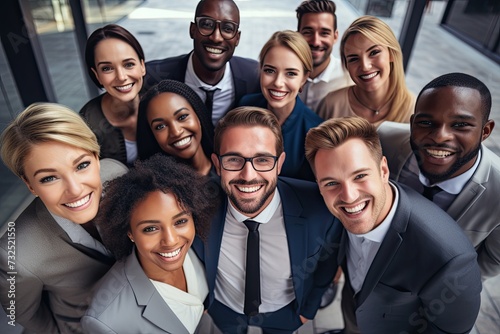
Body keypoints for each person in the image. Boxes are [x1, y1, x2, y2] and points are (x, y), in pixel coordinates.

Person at [305, 116, 482, 333]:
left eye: (360, 176)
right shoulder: (334, 208)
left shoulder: (450, 261)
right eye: (331, 183)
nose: (349, 197)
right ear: (320, 186)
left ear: (383, 170)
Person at [204, 106, 341, 333]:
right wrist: (206, 303)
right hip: (223, 308)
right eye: (234, 159)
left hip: (287, 312)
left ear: (279, 164)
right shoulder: (197, 205)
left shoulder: (321, 211)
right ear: (218, 165)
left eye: (263, 160)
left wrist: (308, 310)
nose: (248, 175)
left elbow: (327, 264)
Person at [0, 103, 127, 333]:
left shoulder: (118, 175)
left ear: (97, 157)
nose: (75, 189)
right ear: (30, 185)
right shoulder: (15, 255)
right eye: (49, 178)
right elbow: (23, 316)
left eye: (82, 165)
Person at [378, 72, 500, 280]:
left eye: (460, 125)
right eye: (426, 122)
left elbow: (492, 259)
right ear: (413, 122)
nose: (439, 136)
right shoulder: (384, 139)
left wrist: (446, 288)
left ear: (485, 131)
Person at [81, 154, 219, 333]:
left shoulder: (200, 246)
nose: (171, 240)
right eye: (151, 229)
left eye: (180, 222)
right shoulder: (106, 321)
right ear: (129, 232)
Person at [143, 0, 260, 127]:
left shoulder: (255, 76)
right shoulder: (151, 76)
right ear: (192, 30)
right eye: (207, 25)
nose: (216, 38)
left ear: (237, 38)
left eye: (227, 28)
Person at [239, 30, 322, 181]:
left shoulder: (315, 131)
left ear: (304, 78)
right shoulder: (245, 106)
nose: (278, 82)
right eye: (270, 70)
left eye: (290, 73)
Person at [317, 16, 414, 127]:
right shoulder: (331, 105)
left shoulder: (415, 110)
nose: (365, 67)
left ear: (391, 53)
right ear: (346, 66)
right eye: (353, 59)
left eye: (374, 52)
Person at [80, 24, 146, 166]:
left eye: (128, 64)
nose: (121, 77)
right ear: (97, 75)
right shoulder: (87, 125)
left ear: (142, 66)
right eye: (107, 68)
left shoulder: (160, 100)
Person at [137, 79, 215, 176]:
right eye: (160, 126)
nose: (176, 132)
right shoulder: (156, 188)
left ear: (198, 116)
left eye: (182, 117)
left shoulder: (231, 168)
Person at [296, 0, 353, 112]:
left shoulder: (350, 78)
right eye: (308, 32)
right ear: (297, 35)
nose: (316, 42)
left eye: (324, 33)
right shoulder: (282, 75)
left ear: (335, 36)